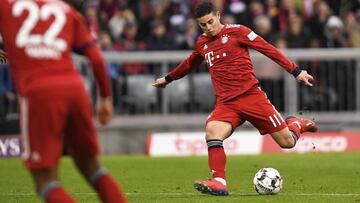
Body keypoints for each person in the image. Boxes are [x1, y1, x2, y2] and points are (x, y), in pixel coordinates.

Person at [153, 2, 318, 196]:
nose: (208, 28)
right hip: (227, 103)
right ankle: (219, 182)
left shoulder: (238, 31)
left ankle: (296, 124)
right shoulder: (202, 43)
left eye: (210, 22)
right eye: (203, 25)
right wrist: (168, 78)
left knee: (287, 143)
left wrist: (296, 71)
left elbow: (268, 49)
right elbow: (189, 63)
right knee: (212, 131)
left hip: (251, 97)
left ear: (218, 15)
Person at [0, 1, 127, 202]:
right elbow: (95, 57)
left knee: (45, 180)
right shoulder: (66, 10)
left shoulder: (6, 7)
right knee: (92, 167)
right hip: (75, 90)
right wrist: (105, 99)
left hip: (39, 93)